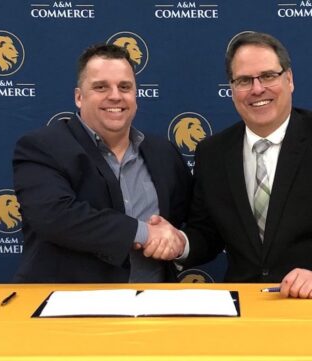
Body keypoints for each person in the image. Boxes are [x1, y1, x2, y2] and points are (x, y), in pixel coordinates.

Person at [164, 32, 312, 298]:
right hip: (248, 305)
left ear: (289, 79)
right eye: (244, 80)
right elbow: (207, 233)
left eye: (268, 76)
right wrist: (180, 243)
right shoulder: (213, 152)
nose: (257, 89)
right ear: (231, 88)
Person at [12, 44, 191, 283]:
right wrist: (145, 234)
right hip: (69, 310)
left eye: (125, 87)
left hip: (154, 309)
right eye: (100, 87)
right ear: (79, 97)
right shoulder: (41, 147)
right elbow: (55, 216)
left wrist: (178, 242)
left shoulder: (164, 152)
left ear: (136, 95)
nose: (115, 95)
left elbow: (188, 219)